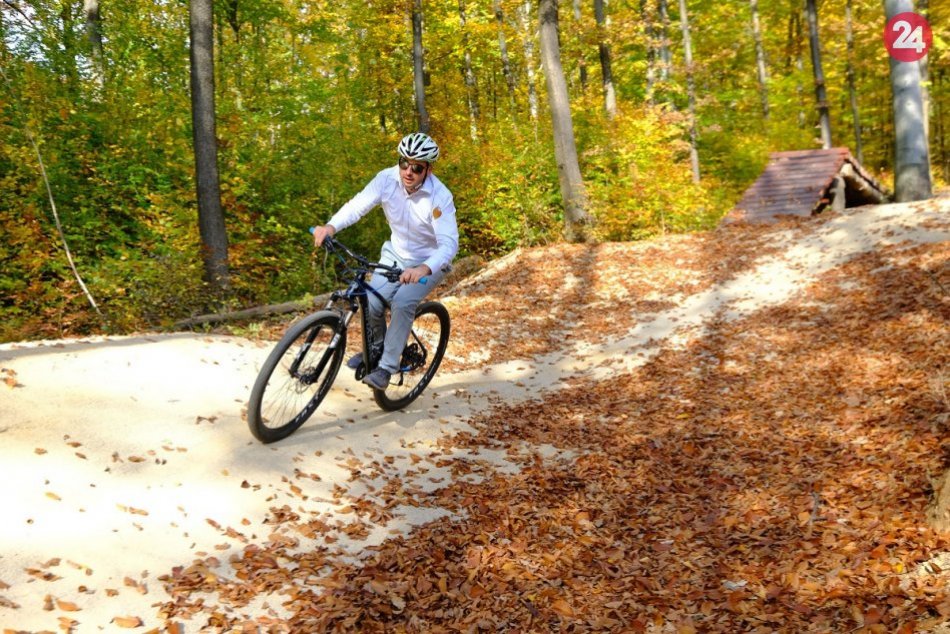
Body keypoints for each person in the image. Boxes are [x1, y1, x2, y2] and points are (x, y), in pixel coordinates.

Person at [311, 132, 459, 390]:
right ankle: (376, 349)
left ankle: (387, 367)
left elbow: (449, 244)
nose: (408, 171)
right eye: (404, 163)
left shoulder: (440, 197)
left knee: (402, 302)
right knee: (371, 299)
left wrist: (423, 268)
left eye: (417, 167)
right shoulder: (386, 179)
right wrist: (331, 226)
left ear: (428, 170)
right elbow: (357, 205)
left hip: (429, 261)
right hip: (395, 253)